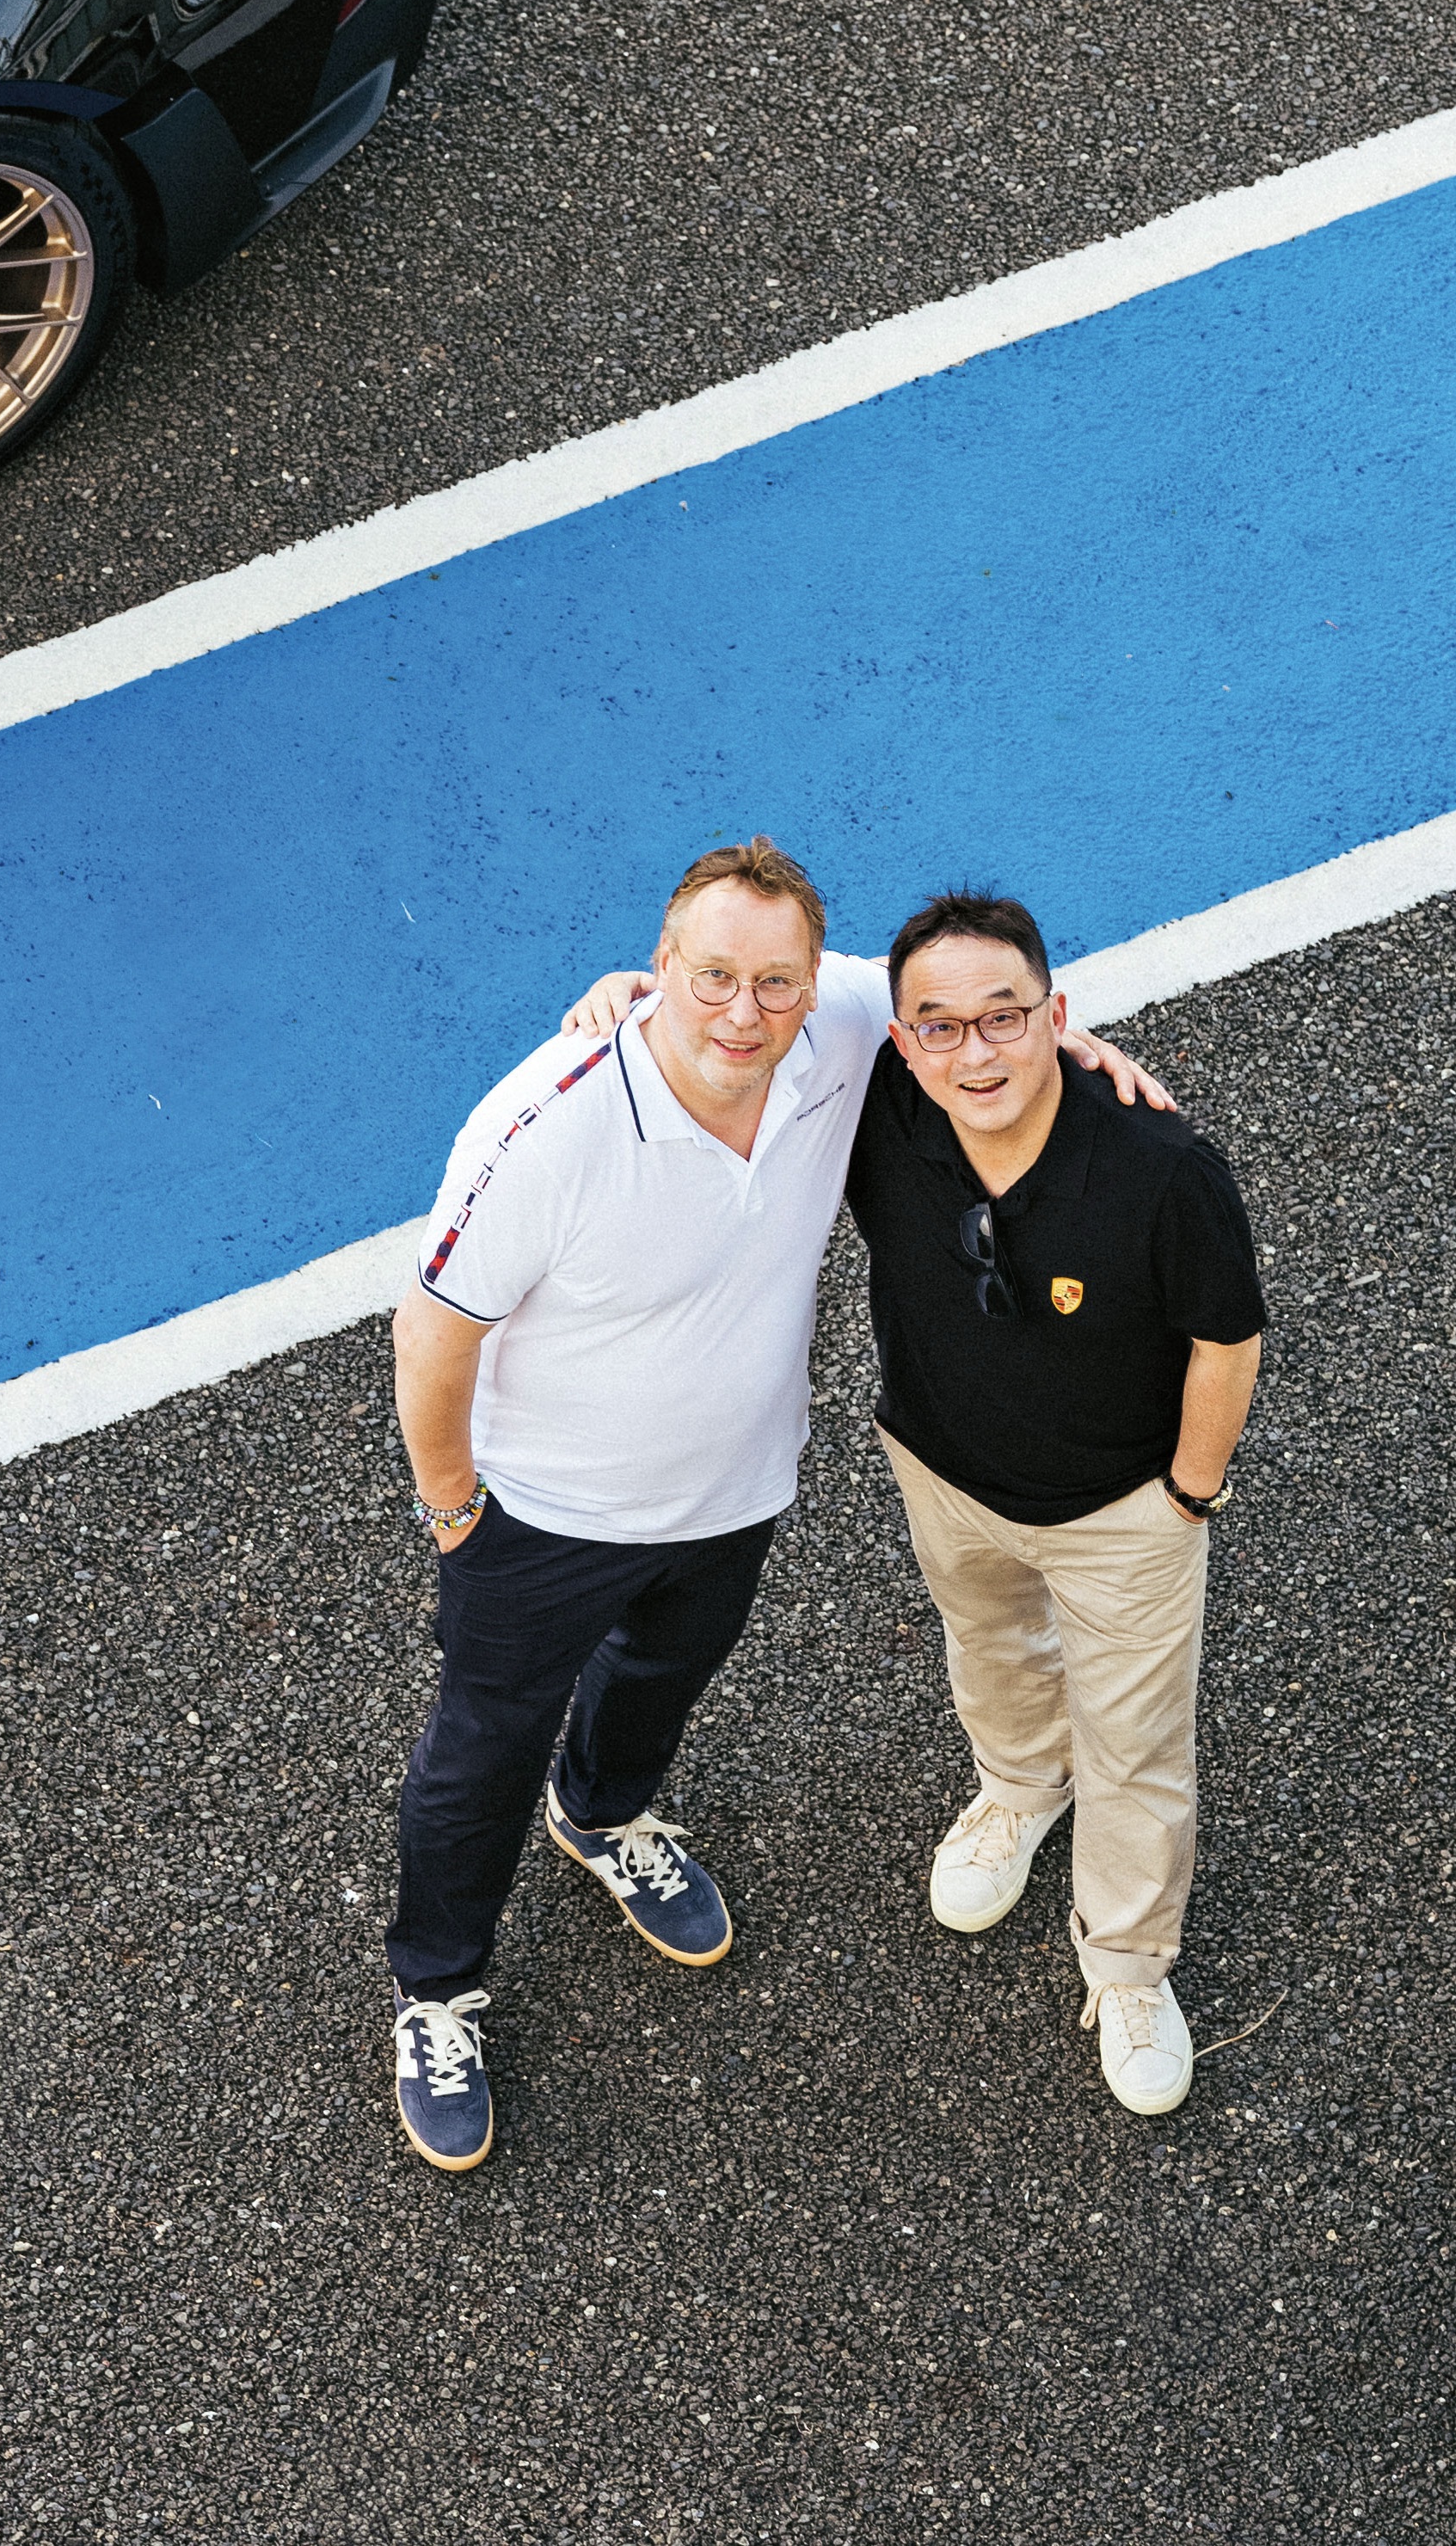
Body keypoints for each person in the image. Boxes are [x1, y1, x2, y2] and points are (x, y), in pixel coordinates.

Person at [386, 838, 1165, 2171]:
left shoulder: (838, 1020)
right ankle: (436, 1993)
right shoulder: (551, 1128)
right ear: (656, 973)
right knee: (478, 1756)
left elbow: (950, 1010)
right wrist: (455, 1510)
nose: (743, 1014)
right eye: (709, 980)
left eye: (774, 983)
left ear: (815, 981)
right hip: (546, 1516)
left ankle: (606, 1814)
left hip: (733, 1488)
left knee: (662, 1673)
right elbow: (434, 1326)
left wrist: (1071, 1046)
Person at [568, 889, 1264, 2118]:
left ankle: (1128, 1963)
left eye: (1004, 1017)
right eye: (937, 1027)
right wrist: (639, 1000)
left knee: (1138, 1746)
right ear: (899, 1042)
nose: (974, 1051)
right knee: (989, 1649)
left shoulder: (1162, 1169)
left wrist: (1185, 1498)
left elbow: (1225, 1338)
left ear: (1059, 1015)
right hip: (940, 1472)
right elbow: (750, 1012)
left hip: (1122, 1513)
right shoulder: (880, 1107)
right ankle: (1016, 1791)